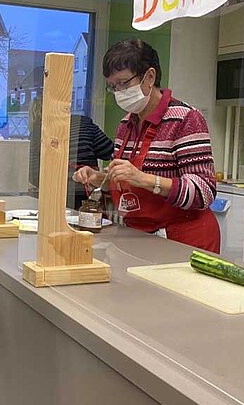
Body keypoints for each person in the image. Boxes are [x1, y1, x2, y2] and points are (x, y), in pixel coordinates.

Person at [73, 39, 220, 252]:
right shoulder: (126, 124)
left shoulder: (186, 119)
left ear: (149, 77)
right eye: (113, 87)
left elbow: (203, 191)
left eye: (124, 83)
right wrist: (100, 178)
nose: (119, 92)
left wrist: (143, 179)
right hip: (142, 236)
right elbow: (126, 180)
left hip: (184, 240)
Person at [28, 97, 114, 210]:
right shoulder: (83, 122)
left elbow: (34, 174)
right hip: (86, 190)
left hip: (54, 193)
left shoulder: (38, 131)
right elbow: (109, 151)